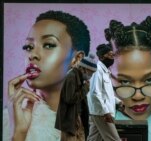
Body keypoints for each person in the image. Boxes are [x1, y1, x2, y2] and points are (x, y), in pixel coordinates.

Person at [5, 10, 90, 141]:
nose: (32, 54)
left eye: (48, 45)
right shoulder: (10, 119)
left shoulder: (91, 117)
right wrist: (17, 133)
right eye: (28, 47)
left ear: (76, 59)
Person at [87, 44, 121, 141]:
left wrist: (118, 101)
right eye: (110, 55)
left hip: (98, 112)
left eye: (113, 55)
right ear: (102, 57)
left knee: (93, 139)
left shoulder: (105, 71)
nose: (112, 57)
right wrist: (106, 112)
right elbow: (95, 92)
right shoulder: (98, 70)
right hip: (102, 113)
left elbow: (105, 93)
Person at [55, 51, 89, 141]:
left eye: (82, 58)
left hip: (79, 117)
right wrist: (85, 88)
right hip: (71, 120)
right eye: (78, 58)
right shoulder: (71, 76)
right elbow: (70, 98)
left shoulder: (81, 77)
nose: (80, 60)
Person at [78, 52, 98, 138]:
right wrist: (86, 88)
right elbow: (72, 99)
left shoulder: (83, 80)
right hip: (77, 118)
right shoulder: (72, 77)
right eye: (90, 72)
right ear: (84, 69)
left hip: (85, 116)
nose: (91, 75)